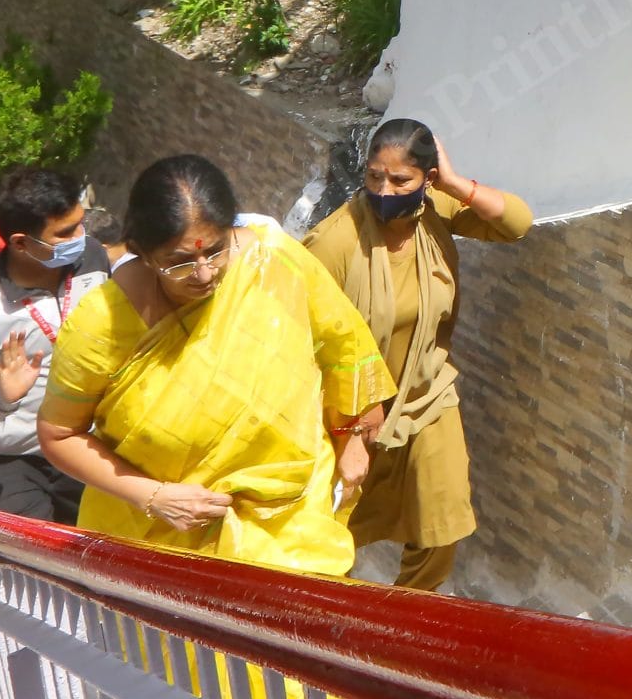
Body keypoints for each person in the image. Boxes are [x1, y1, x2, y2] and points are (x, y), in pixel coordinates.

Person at [37, 155, 392, 573]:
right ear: (143, 254)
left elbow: (346, 348)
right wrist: (153, 496)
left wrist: (353, 436)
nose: (204, 274)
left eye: (218, 251)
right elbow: (59, 434)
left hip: (291, 527)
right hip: (161, 540)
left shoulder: (273, 261)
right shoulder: (102, 323)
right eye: (179, 261)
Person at [303, 119, 532, 591]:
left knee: (442, 527)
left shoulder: (435, 211)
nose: (384, 191)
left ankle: (403, 620)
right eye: (373, 178)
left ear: (427, 179)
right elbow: (309, 344)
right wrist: (348, 430)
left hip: (425, 402)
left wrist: (454, 184)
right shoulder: (335, 243)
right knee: (328, 535)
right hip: (350, 415)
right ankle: (336, 623)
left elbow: (516, 223)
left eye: (399, 180)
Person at [0, 169, 109, 521]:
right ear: (21, 243)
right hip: (7, 458)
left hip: (83, 440)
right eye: (65, 233)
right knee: (36, 560)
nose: (80, 237)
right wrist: (1, 400)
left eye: (80, 224)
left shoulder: (93, 258)